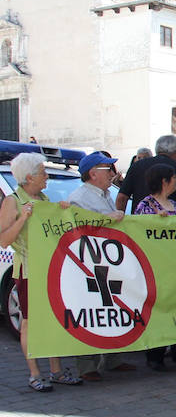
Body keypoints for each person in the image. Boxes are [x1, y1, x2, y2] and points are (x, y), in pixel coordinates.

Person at [0, 153, 83, 392]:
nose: (46, 177)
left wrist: (62, 211)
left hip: (50, 268)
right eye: (43, 173)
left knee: (52, 319)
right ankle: (35, 373)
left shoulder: (43, 198)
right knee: (29, 323)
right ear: (29, 177)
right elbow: (4, 240)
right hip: (27, 269)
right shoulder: (13, 201)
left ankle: (56, 371)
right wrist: (24, 217)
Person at [67, 152, 134, 380]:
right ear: (93, 174)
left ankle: (113, 358)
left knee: (111, 309)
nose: (113, 174)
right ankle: (87, 365)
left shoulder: (105, 194)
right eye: (108, 169)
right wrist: (108, 219)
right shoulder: (80, 197)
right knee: (91, 311)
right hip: (90, 263)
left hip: (108, 260)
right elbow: (82, 228)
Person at [133, 163, 176, 371]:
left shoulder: (175, 205)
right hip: (157, 266)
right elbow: (139, 233)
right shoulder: (145, 206)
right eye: (173, 178)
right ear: (164, 181)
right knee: (159, 308)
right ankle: (155, 354)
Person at [117, 135, 176, 213]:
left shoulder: (137, 166)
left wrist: (120, 219)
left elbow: (122, 197)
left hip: (139, 223)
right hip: (175, 223)